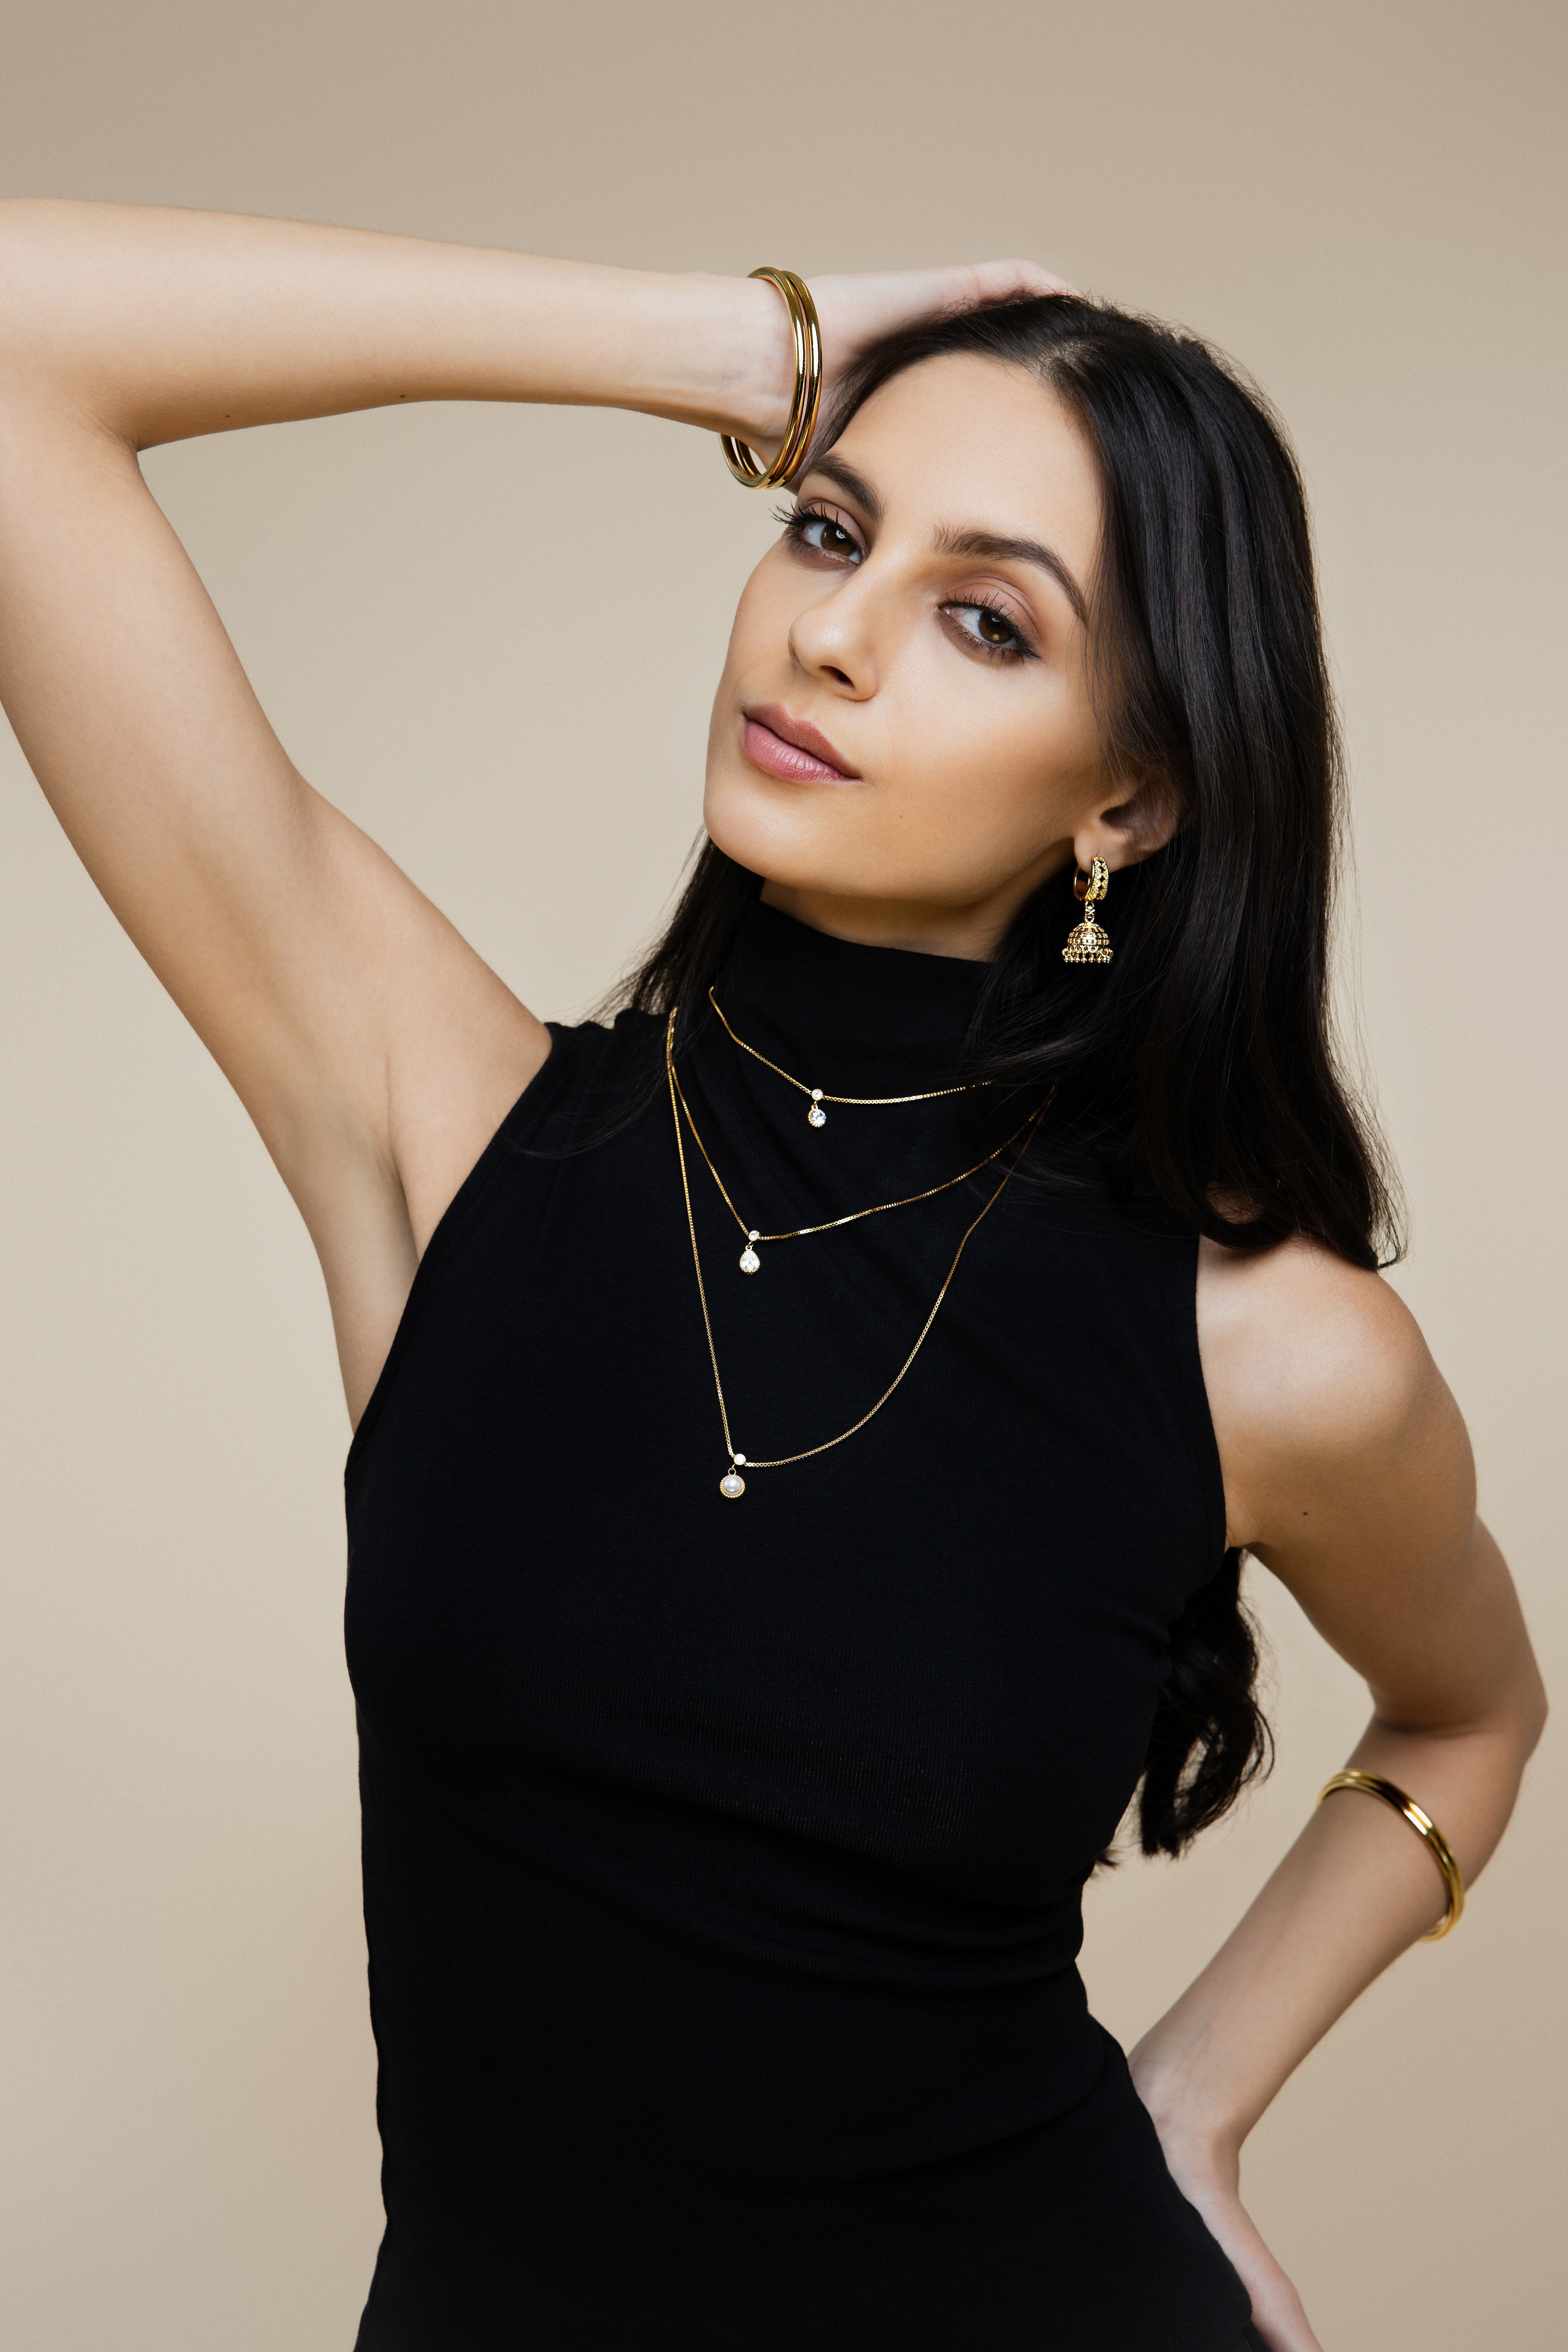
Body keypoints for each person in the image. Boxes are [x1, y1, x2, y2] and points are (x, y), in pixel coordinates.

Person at [0, 201, 1545, 2352]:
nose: (834, 637)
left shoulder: (1267, 1347)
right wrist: (733, 347)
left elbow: (1474, 1706)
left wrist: (1188, 2098)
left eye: (984, 621)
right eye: (828, 533)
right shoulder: (453, 1136)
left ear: (1130, 796)